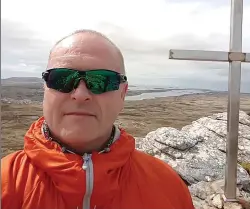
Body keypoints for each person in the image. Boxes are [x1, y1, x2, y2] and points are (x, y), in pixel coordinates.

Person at [1, 29, 195, 209]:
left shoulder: (166, 186)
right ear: (45, 89)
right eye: (61, 78)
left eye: (101, 80)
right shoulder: (5, 183)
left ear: (123, 94)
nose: (80, 94)